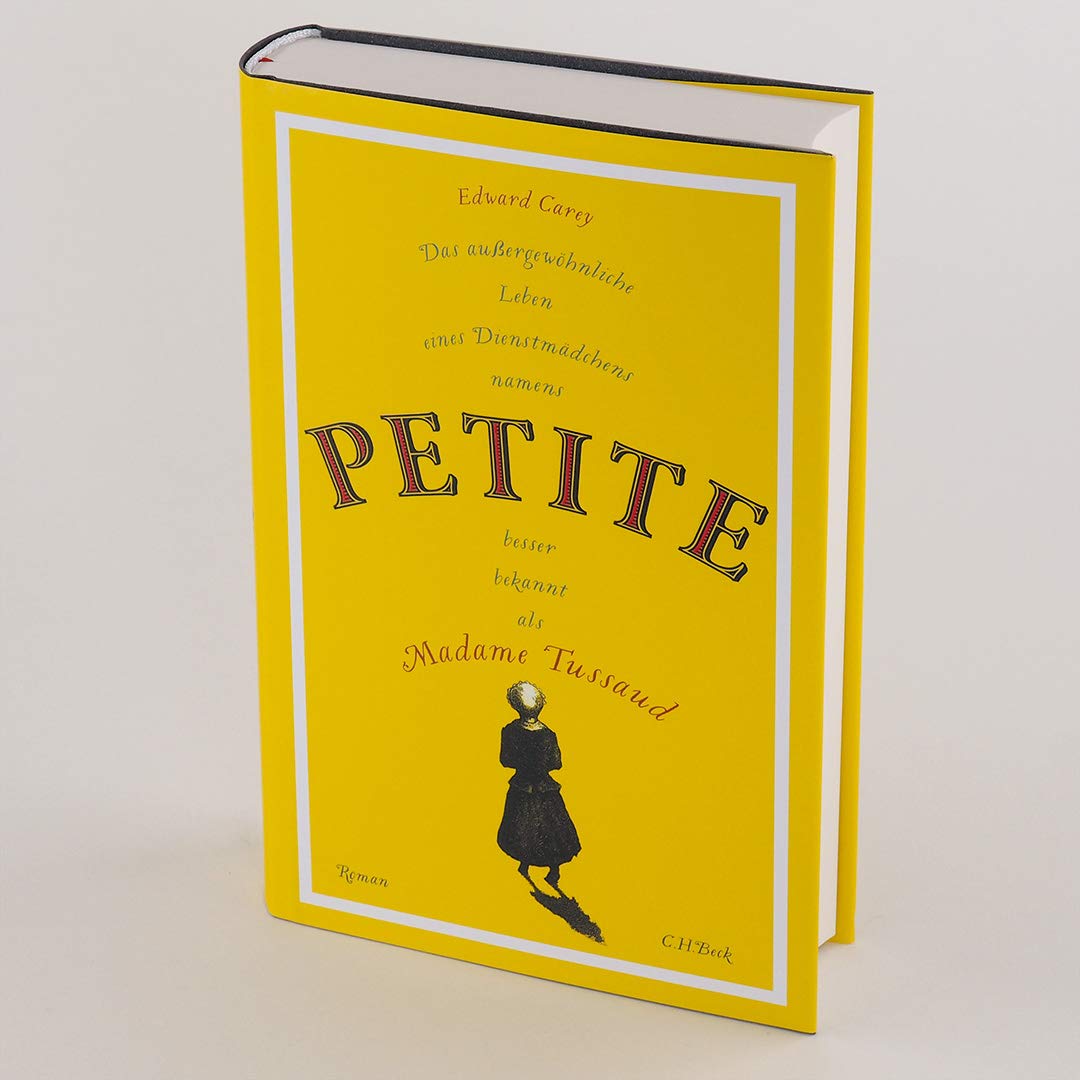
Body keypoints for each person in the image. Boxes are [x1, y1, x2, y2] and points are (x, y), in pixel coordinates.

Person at [497, 681, 581, 888]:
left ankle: (525, 864)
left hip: (521, 786)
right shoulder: (548, 734)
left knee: (522, 827)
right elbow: (556, 763)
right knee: (551, 829)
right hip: (545, 788)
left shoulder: (510, 731)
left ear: (515, 705)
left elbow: (505, 760)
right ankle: (553, 871)